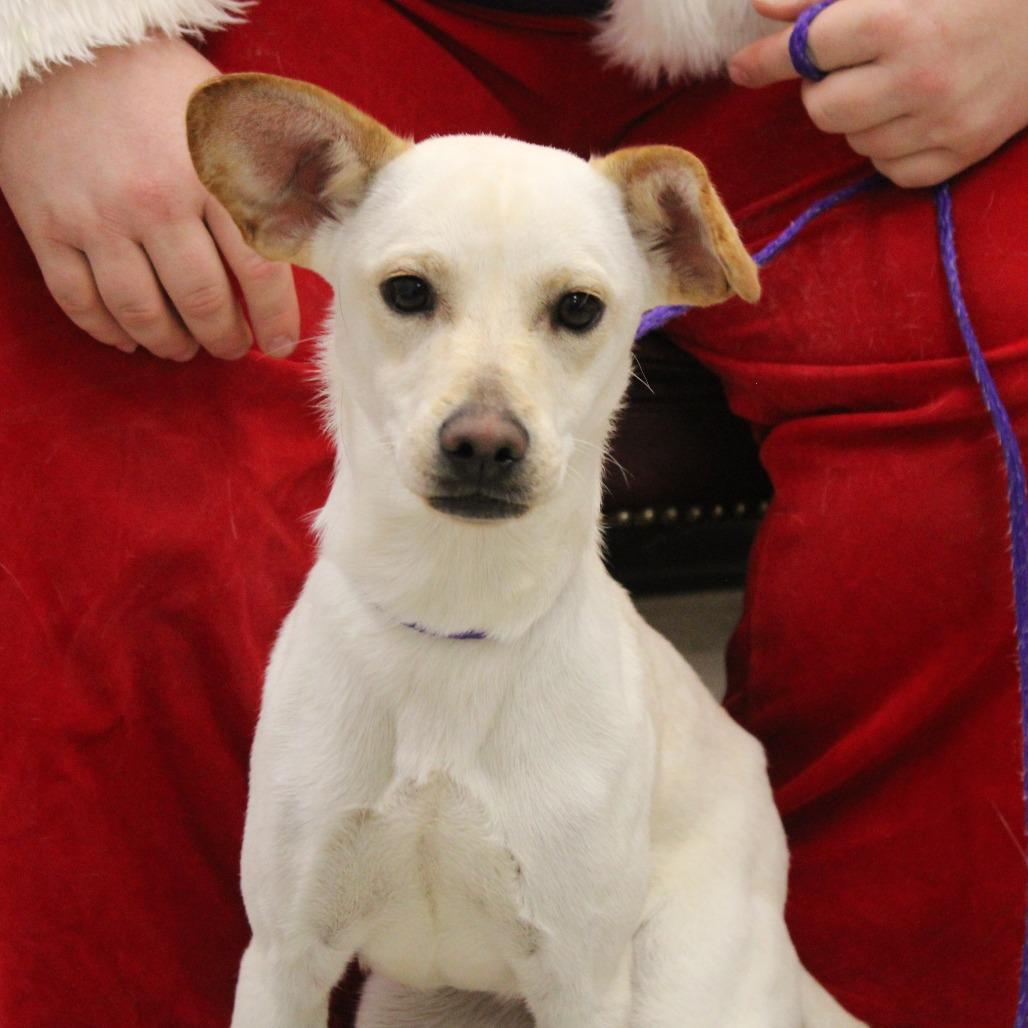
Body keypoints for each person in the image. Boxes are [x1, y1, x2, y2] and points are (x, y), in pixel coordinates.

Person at [0, 1, 1025, 1025]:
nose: (482, 429)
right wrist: (50, 47)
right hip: (327, 13)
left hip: (791, 44)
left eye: (572, 310)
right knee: (138, 414)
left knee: (983, 436)